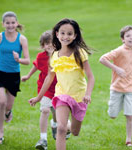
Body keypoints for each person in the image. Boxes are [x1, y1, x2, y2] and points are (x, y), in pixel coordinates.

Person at [28, 18, 95, 150]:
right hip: (61, 95)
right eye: (62, 33)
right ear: (57, 34)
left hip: (79, 96)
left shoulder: (79, 52)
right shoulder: (54, 55)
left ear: (75, 35)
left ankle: (69, 126)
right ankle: (64, 126)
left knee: (75, 132)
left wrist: (88, 94)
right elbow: (49, 78)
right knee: (60, 128)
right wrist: (38, 97)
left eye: (69, 34)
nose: (65, 36)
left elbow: (91, 77)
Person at [0, 11, 30, 144]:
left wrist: (18, 59)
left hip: (14, 76)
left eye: (13, 22)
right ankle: (0, 134)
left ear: (16, 23)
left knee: (8, 106)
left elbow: (27, 60)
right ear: (3, 24)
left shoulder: (22, 39)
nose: (10, 25)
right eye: (7, 23)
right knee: (1, 101)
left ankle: (8, 112)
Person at [22, 30, 58, 150]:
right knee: (45, 110)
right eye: (47, 43)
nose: (50, 45)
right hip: (45, 88)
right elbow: (36, 65)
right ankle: (43, 139)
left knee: (56, 113)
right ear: (42, 45)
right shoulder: (41, 56)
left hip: (60, 89)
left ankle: (55, 124)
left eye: (52, 42)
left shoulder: (61, 56)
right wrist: (28, 76)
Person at [99, 25, 132, 147]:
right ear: (123, 39)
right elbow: (102, 59)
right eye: (128, 36)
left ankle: (129, 139)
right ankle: (116, 107)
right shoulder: (120, 50)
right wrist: (116, 68)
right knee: (112, 115)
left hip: (130, 89)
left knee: (130, 116)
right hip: (117, 88)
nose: (131, 38)